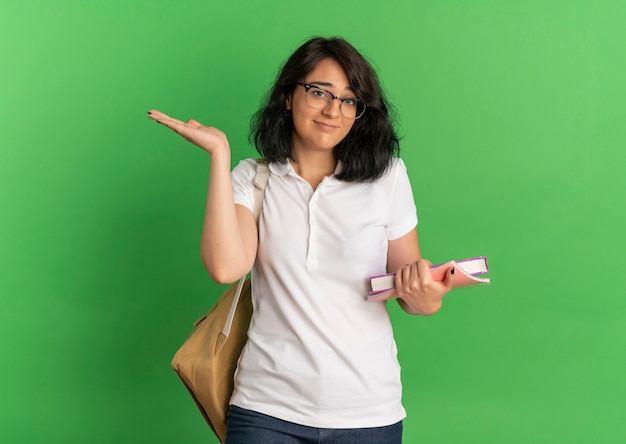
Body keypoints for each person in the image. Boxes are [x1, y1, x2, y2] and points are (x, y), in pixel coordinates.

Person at [148, 36, 454, 444]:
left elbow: (416, 297)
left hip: (367, 412)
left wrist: (424, 291)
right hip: (266, 410)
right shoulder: (252, 179)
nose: (333, 110)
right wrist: (219, 156)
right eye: (319, 92)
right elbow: (225, 267)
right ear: (288, 97)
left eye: (349, 100)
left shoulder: (387, 178)